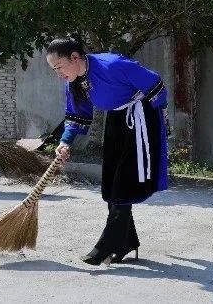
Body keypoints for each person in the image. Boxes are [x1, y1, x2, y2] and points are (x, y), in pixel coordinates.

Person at [46, 34, 169, 266]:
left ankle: (108, 243)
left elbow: (155, 83)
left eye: (59, 67)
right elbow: (77, 116)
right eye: (54, 69)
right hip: (115, 119)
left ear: (74, 57)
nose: (58, 73)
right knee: (112, 182)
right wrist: (65, 142)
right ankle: (126, 241)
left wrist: (161, 118)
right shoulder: (73, 82)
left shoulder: (112, 66)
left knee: (124, 181)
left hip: (140, 118)